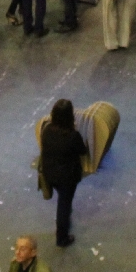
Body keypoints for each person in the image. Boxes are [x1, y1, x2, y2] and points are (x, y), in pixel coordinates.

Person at [39, 100, 88, 246]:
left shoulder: (46, 129)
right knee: (64, 206)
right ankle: (62, 238)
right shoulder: (73, 136)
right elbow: (83, 151)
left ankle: (64, 226)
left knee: (63, 202)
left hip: (49, 172)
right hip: (67, 177)